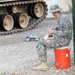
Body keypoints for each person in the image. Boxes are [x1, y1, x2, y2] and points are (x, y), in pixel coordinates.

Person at [33, 4, 72, 71]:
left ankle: (43, 64)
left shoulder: (63, 19)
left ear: (54, 12)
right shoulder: (62, 17)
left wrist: (53, 32)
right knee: (42, 40)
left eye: (52, 12)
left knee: (41, 42)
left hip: (63, 41)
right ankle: (41, 60)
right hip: (63, 40)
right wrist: (56, 29)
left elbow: (65, 33)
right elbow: (63, 29)